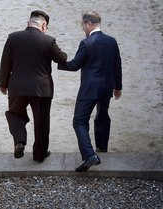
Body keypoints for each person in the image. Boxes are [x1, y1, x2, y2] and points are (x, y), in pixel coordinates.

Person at [58, 11, 122, 172]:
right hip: (107, 86)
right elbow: (117, 65)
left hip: (89, 88)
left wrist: (59, 62)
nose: (82, 28)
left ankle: (89, 154)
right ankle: (102, 146)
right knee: (102, 115)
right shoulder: (111, 41)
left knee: (79, 121)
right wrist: (118, 87)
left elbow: (74, 65)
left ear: (88, 23)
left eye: (82, 25)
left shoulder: (87, 43)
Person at [0, 10, 67, 162]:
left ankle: (19, 141)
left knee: (15, 114)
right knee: (41, 122)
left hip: (17, 87)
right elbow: (62, 58)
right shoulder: (48, 41)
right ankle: (39, 154)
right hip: (41, 89)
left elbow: (5, 63)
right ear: (43, 25)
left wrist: (3, 84)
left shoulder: (13, 38)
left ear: (29, 22)